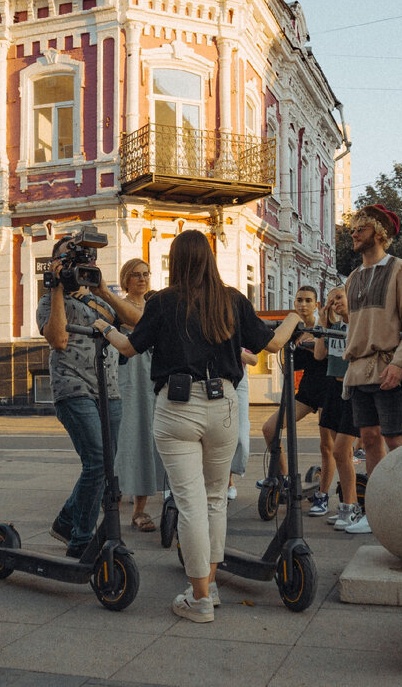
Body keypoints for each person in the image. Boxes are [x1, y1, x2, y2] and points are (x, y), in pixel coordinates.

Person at [99, 230, 302, 623]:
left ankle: (200, 598)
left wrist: (104, 327)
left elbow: (128, 347)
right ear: (209, 259)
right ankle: (208, 586)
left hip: (176, 406)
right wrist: (295, 315)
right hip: (223, 403)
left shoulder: (163, 302)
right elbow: (273, 345)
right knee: (214, 501)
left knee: (189, 504)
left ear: (175, 261)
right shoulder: (232, 300)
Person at [38, 231, 143, 558]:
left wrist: (103, 292)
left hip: (108, 388)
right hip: (72, 388)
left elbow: (138, 323)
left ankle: (67, 520)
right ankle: (81, 539)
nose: (82, 263)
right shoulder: (47, 300)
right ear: (57, 263)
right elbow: (57, 339)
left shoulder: (99, 298)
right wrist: (57, 287)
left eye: (86, 257)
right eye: (72, 257)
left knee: (102, 466)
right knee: (97, 461)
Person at [341, 204, 402, 535]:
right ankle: (377, 511)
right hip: (359, 369)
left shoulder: (400, 269)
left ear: (378, 233)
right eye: (353, 229)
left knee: (396, 439)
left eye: (359, 229)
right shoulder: (353, 277)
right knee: (369, 438)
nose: (353, 234)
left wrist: (400, 364)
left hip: (387, 365)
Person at [256, 286, 335, 518]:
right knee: (270, 428)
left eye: (308, 300)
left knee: (326, 445)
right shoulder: (293, 328)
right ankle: (286, 478)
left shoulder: (326, 326)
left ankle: (323, 495)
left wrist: (316, 340)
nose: (303, 304)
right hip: (307, 391)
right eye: (299, 300)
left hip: (329, 390)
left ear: (316, 304)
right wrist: (295, 339)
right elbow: (291, 361)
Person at [113, 258, 165, 533]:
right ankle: (114, 490)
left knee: (145, 438)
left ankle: (139, 509)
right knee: (121, 436)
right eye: (136, 275)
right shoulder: (116, 307)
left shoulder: (156, 307)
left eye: (146, 273)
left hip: (150, 377)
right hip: (124, 376)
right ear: (126, 279)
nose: (142, 279)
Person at [313, 287, 361, 530]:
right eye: (331, 300)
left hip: (352, 390)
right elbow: (319, 355)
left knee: (343, 451)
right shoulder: (335, 328)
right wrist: (323, 325)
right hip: (332, 389)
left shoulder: (360, 324)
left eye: (339, 298)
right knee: (340, 453)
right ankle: (346, 505)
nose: (334, 303)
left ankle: (350, 507)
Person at [227, 349, 258, 500]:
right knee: (218, 434)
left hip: (239, 376)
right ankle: (226, 482)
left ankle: (229, 477)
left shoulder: (241, 326)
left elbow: (254, 360)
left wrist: (233, 349)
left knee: (241, 437)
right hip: (214, 374)